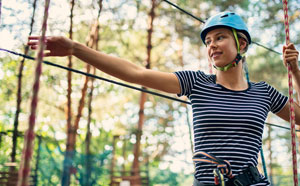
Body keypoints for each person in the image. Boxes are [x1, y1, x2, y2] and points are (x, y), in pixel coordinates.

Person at [28, 11, 299, 186]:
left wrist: (295, 71)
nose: (212, 45)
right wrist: (76, 49)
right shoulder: (197, 83)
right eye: (207, 41)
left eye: (220, 37)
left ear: (241, 44)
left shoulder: (264, 93)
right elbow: (135, 73)